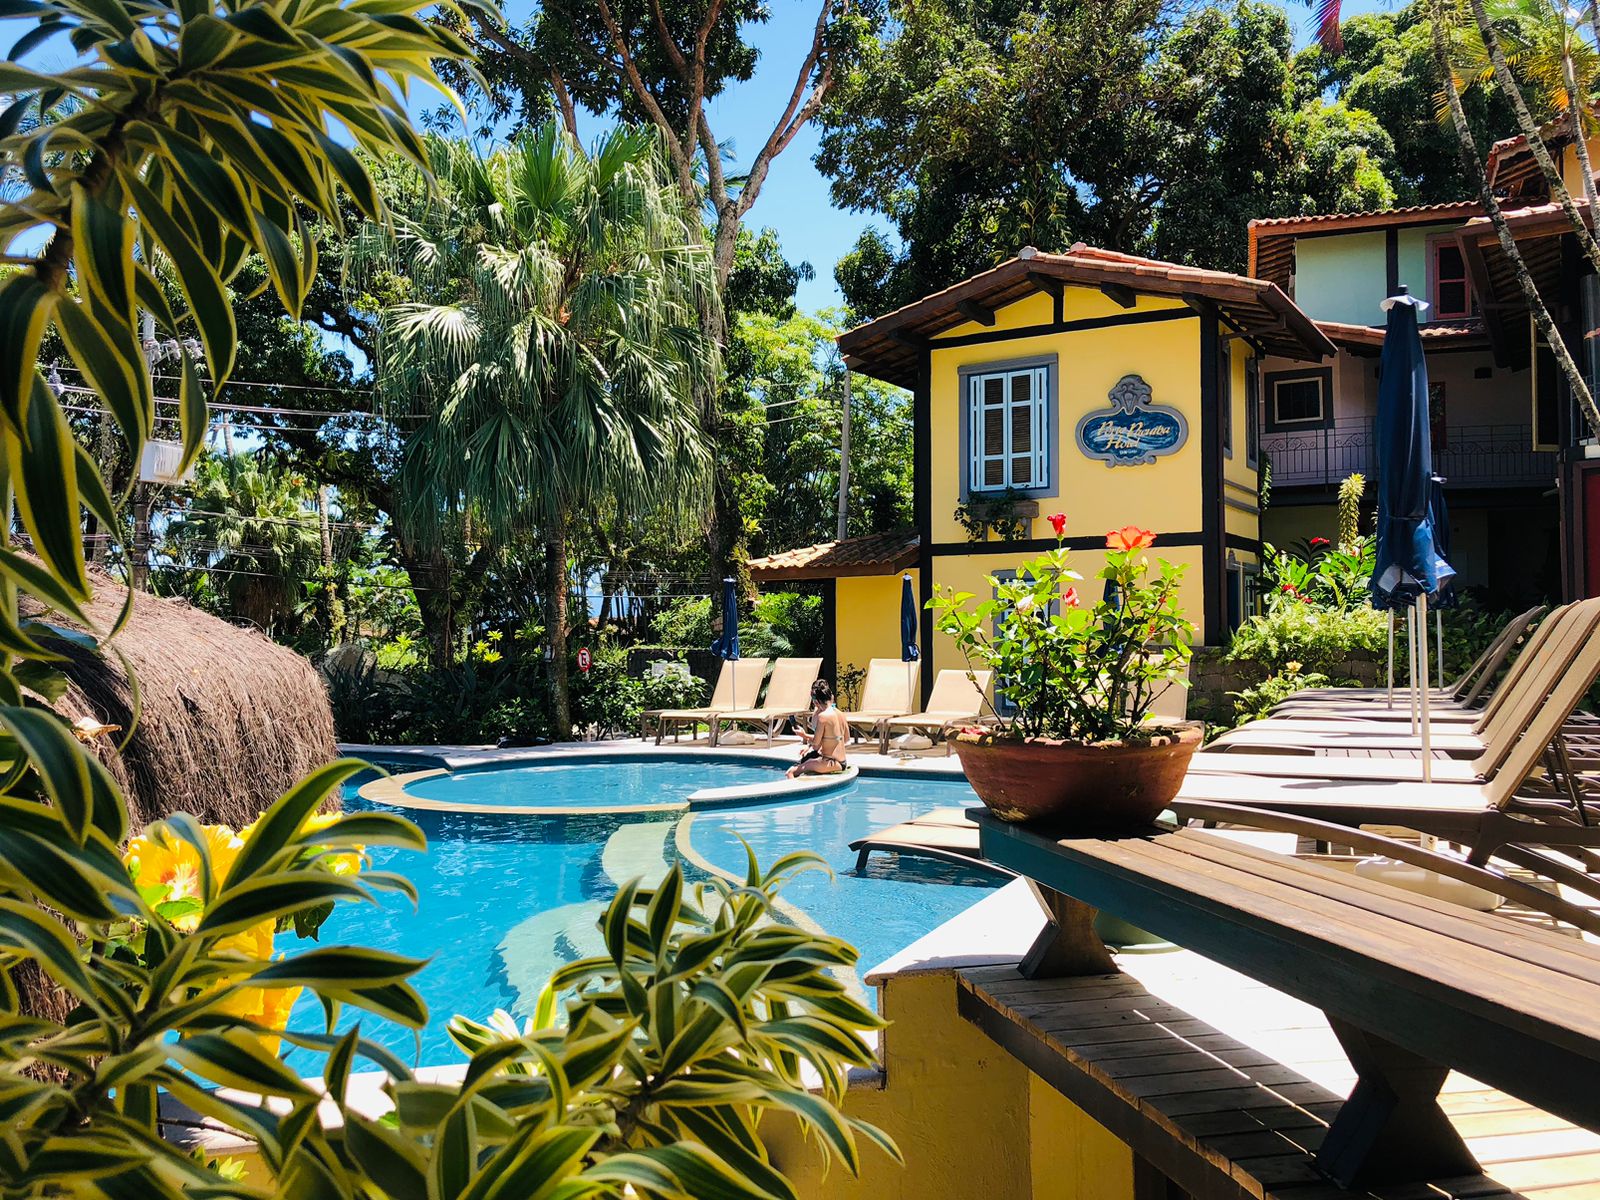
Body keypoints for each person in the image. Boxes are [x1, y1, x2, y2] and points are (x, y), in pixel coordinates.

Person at [788, 678, 848, 778]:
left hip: (830, 762)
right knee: (809, 762)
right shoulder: (840, 714)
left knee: (790, 772)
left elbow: (816, 742)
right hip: (841, 761)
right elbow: (846, 739)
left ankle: (794, 793)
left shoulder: (823, 716)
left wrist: (803, 735)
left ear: (816, 701)